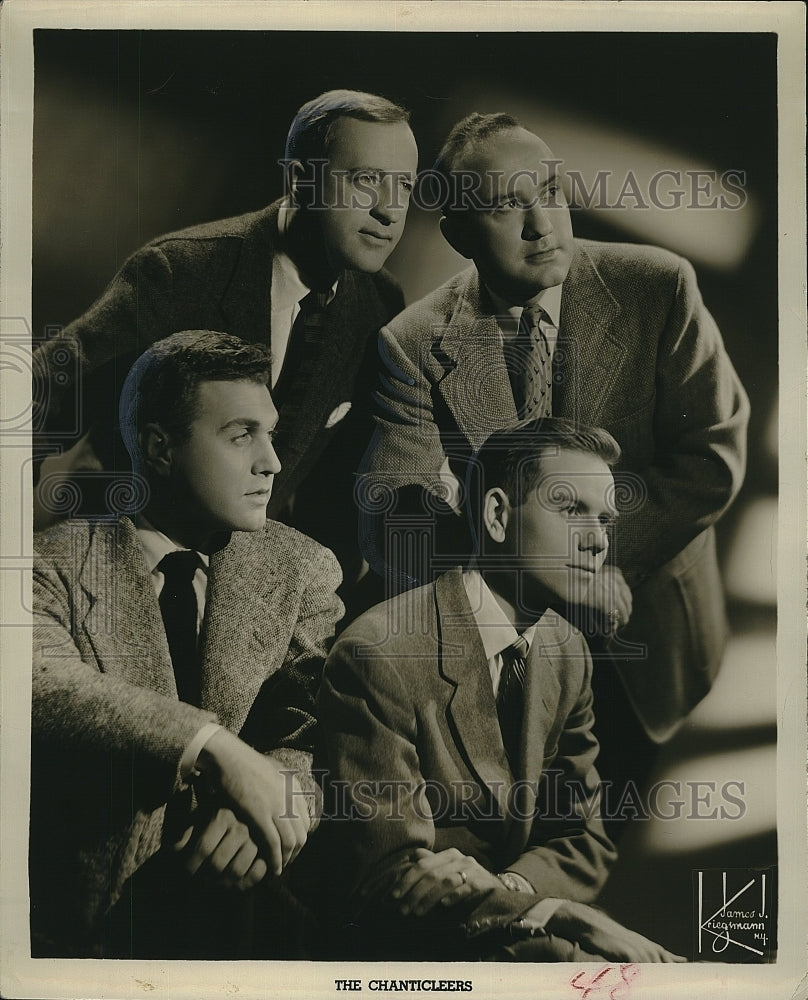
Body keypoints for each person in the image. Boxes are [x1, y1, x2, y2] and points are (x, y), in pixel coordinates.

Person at [359, 112, 750, 818]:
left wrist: (594, 563)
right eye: (509, 205)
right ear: (458, 236)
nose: (545, 223)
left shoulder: (657, 287)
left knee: (627, 810)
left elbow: (712, 456)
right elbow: (399, 525)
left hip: (648, 630)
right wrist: (551, 577)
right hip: (509, 656)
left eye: (551, 190)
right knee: (526, 843)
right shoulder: (411, 344)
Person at [318, 419, 683, 962]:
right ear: (495, 515)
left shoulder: (567, 649)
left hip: (506, 929)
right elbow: (389, 879)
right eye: (571, 509)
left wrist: (513, 891)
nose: (598, 541)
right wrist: (554, 914)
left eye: (605, 519)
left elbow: (583, 840)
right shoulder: (380, 653)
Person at [30, 331, 343, 958]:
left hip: (248, 916)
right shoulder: (51, 562)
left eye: (272, 434)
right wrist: (212, 747)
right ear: (159, 448)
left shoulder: (303, 569)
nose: (271, 462)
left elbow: (313, 732)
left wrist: (274, 802)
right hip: (87, 933)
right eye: (241, 434)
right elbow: (37, 680)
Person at [32, 88, 419, 584]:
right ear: (301, 181)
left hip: (232, 593)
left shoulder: (378, 306)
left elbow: (333, 495)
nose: (390, 211)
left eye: (404, 186)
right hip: (105, 566)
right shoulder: (182, 271)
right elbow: (35, 403)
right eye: (366, 181)